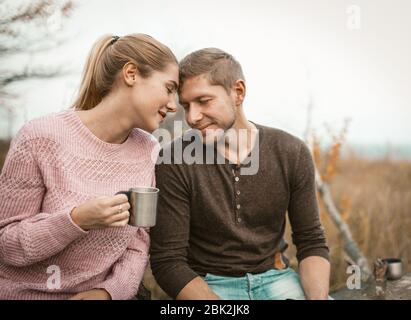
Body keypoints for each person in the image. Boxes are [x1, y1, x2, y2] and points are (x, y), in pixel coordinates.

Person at [0, 33, 178, 299]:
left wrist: (108, 293)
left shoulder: (149, 150)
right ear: (131, 73)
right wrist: (76, 220)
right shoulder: (39, 137)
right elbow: (7, 244)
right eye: (169, 88)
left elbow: (138, 245)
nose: (174, 105)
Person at [150, 48, 331, 300]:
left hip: (277, 278)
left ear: (238, 92)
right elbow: (168, 261)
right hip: (207, 286)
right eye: (186, 105)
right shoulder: (173, 159)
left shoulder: (291, 151)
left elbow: (311, 241)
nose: (192, 117)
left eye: (204, 101)